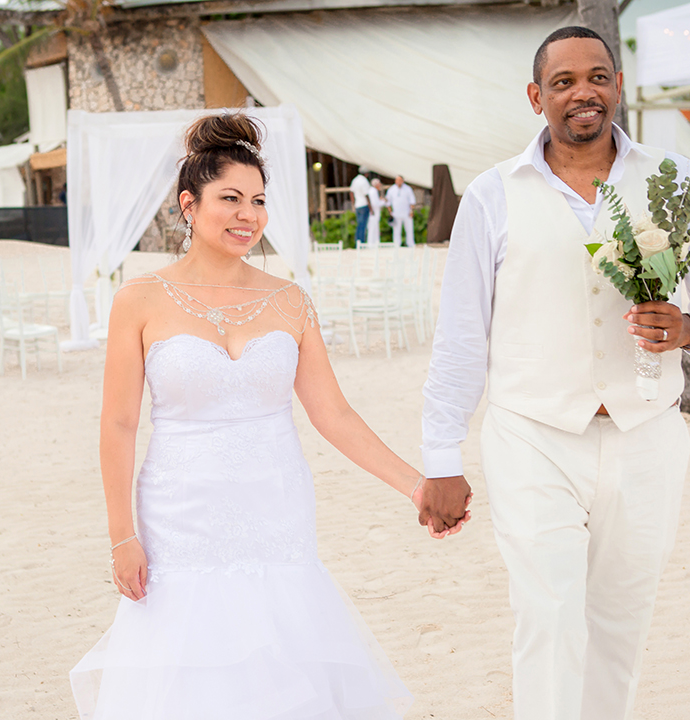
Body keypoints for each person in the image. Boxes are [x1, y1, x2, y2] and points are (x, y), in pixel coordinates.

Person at [70, 113, 468, 719]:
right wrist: (121, 535)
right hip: (180, 516)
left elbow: (333, 414)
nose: (247, 215)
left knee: (284, 660)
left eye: (257, 201)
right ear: (188, 203)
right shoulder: (139, 300)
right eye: (229, 198)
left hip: (275, 507)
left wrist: (417, 485)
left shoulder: (288, 301)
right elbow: (118, 424)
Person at [418, 27, 690, 720]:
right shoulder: (492, 195)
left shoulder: (677, 184)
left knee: (621, 624)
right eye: (564, 81)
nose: (583, 92)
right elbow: (460, 336)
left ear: (617, 86)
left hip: (648, 435)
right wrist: (441, 454)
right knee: (549, 614)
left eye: (597, 76)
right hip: (533, 436)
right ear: (537, 97)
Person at [386, 175, 417, 247]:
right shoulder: (391, 190)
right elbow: (388, 202)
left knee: (409, 229)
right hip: (396, 213)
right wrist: (390, 212)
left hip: (407, 213)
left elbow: (412, 201)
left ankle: (410, 244)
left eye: (400, 180)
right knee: (396, 230)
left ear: (403, 181)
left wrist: (411, 211)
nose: (399, 182)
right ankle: (397, 244)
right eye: (397, 180)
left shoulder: (408, 189)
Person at [350, 165, 372, 245]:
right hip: (364, 204)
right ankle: (361, 243)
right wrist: (370, 207)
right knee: (363, 225)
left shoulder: (355, 180)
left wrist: (353, 202)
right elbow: (366, 195)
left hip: (357, 205)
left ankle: (357, 242)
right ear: (366, 174)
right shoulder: (364, 181)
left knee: (359, 224)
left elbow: (351, 192)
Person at [368, 177, 385, 246]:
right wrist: (383, 201)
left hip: (374, 212)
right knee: (373, 228)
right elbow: (375, 203)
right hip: (374, 212)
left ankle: (374, 243)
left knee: (374, 228)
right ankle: (372, 244)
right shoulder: (373, 191)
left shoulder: (372, 191)